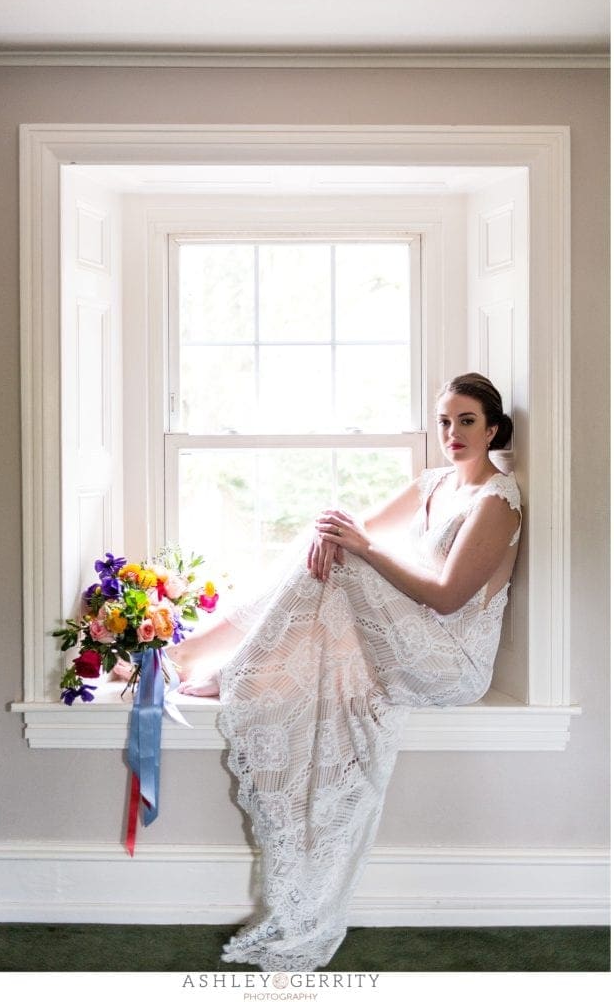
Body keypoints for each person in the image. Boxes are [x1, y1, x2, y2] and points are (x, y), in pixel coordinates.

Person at [161, 373, 521, 970]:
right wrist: (334, 528)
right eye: (444, 421)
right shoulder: (433, 482)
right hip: (413, 636)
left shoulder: (498, 501)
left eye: (466, 422)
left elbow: (449, 597)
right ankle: (203, 657)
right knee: (322, 541)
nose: (452, 433)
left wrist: (358, 547)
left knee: (348, 563)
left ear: (493, 429)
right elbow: (359, 526)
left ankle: (207, 660)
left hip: (450, 660)